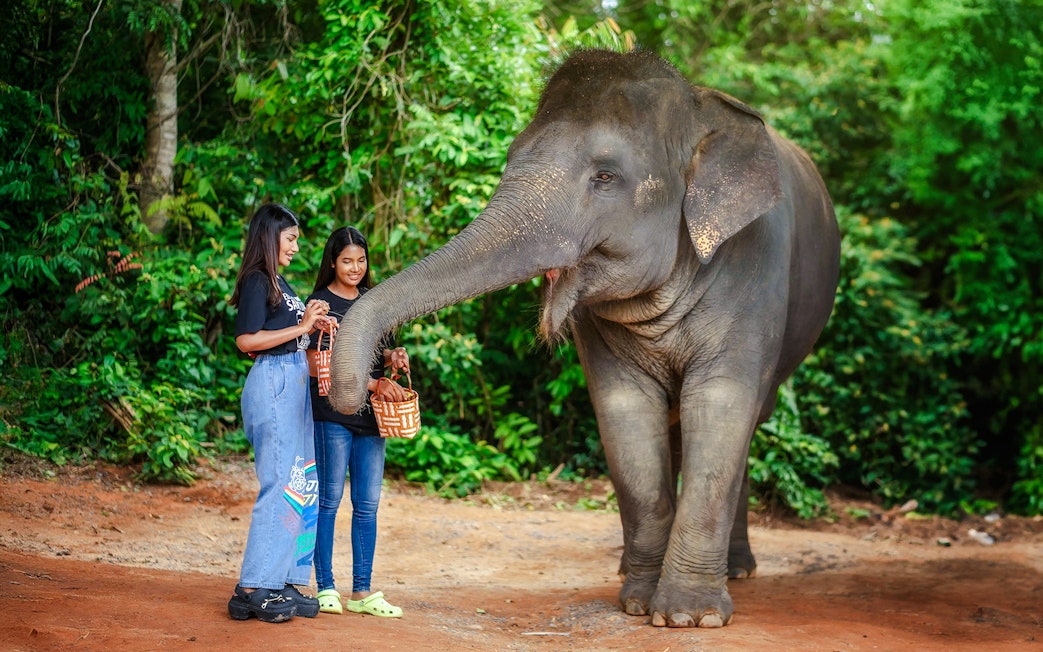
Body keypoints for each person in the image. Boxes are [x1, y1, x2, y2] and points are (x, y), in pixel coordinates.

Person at [227, 203, 332, 623]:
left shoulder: (280, 282)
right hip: (272, 382)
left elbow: (290, 335)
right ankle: (252, 586)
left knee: (301, 481)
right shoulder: (256, 279)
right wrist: (301, 328)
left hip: (294, 381)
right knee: (278, 482)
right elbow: (247, 339)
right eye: (291, 239)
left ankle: (283, 577)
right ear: (270, 237)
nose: (295, 247)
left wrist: (313, 329)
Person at [306, 225, 411, 618]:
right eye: (347, 260)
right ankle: (325, 586)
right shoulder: (319, 303)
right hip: (332, 414)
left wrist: (392, 358)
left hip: (372, 420)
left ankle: (362, 591)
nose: (355, 267)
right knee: (329, 501)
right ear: (332, 262)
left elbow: (375, 352)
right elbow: (318, 365)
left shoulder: (373, 301)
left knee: (367, 506)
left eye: (361, 260)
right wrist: (372, 383)